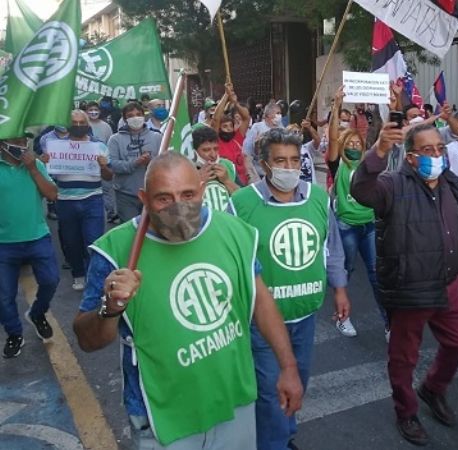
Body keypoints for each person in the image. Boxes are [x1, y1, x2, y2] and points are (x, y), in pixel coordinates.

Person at [73, 152, 303, 450]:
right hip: (163, 419)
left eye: (188, 194)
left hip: (234, 402)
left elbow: (261, 301)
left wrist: (288, 367)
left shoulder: (234, 232)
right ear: (143, 198)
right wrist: (111, 308)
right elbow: (87, 340)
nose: (179, 207)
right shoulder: (114, 252)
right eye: (164, 199)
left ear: (203, 190)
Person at [351, 123, 458, 446]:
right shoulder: (392, 185)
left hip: (448, 285)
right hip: (411, 289)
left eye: (439, 149)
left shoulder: (451, 184)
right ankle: (406, 411)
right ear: (409, 157)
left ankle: (432, 389)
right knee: (404, 357)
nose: (436, 155)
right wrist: (378, 152)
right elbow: (361, 190)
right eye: (427, 150)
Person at [230, 128, 350, 450]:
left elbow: (331, 247)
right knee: (270, 392)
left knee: (297, 382)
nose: (289, 167)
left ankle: (285, 433)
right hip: (264, 325)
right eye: (280, 160)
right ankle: (274, 442)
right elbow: (230, 260)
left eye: (295, 160)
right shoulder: (241, 204)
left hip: (305, 316)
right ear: (264, 165)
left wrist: (339, 289)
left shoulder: (318, 198)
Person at [328, 91, 387, 339]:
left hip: (369, 226)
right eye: (349, 144)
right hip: (346, 226)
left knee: (376, 275)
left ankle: (389, 324)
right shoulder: (337, 164)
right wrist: (337, 105)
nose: (353, 147)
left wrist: (390, 106)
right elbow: (331, 139)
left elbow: (382, 139)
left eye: (357, 144)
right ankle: (343, 318)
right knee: (346, 272)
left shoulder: (366, 164)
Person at [0, 137, 59, 358]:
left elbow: (52, 194)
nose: (21, 145)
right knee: (4, 297)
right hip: (3, 245)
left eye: (24, 140)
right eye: (15, 140)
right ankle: (14, 334)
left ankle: (37, 313)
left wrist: (33, 168)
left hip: (37, 238)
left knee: (50, 281)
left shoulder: (37, 165)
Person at [44, 110, 113, 291]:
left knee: (93, 241)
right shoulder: (57, 147)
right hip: (66, 201)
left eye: (82, 122)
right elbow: (48, 174)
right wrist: (45, 163)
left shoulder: (99, 146)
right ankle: (78, 274)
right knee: (71, 241)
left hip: (92, 200)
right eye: (75, 122)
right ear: (68, 124)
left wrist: (103, 165)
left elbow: (109, 176)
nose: (79, 126)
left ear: (88, 123)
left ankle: (94, 279)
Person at [108, 102, 163, 222]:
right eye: (130, 115)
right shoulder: (115, 139)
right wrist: (135, 163)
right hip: (126, 194)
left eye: (138, 114)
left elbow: (164, 164)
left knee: (153, 231)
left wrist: (150, 162)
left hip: (152, 193)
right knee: (130, 232)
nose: (135, 118)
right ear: (125, 119)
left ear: (144, 116)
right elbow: (113, 165)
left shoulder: (157, 137)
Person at [213, 83, 252, 186]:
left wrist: (235, 102)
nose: (229, 129)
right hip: (225, 185)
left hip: (243, 185)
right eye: (225, 126)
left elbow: (246, 118)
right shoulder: (216, 141)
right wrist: (226, 95)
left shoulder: (237, 138)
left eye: (230, 126)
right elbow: (216, 119)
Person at [192, 127, 238, 212]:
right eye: (206, 150)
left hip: (227, 221)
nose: (213, 155)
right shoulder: (186, 170)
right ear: (194, 151)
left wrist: (227, 181)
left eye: (216, 149)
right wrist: (197, 181)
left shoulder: (228, 166)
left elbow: (243, 198)